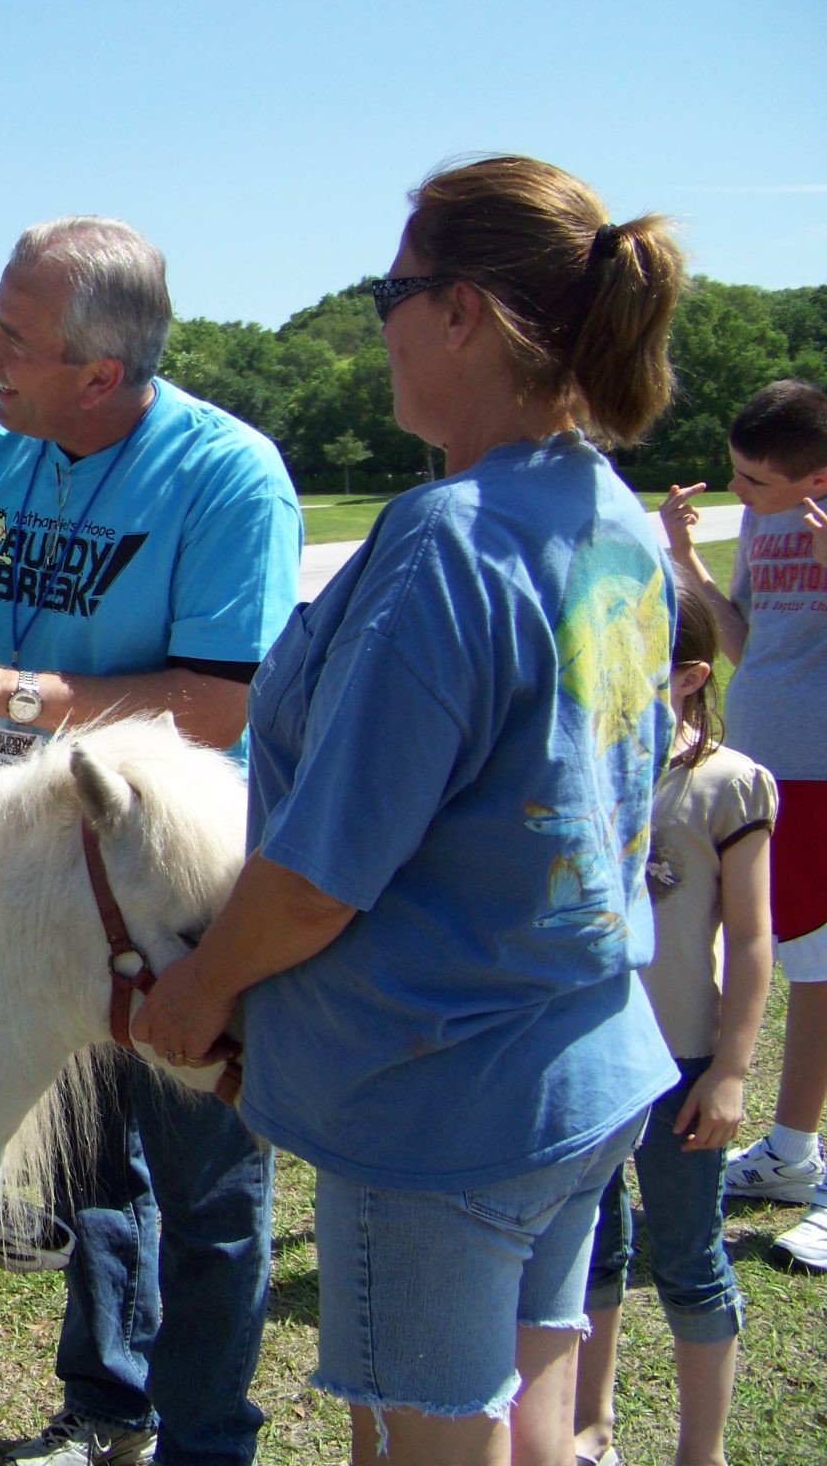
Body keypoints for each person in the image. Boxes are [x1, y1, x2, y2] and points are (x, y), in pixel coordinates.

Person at [135, 155, 686, 1466]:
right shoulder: (611, 517)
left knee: (417, 1447)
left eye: (392, 290)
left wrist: (202, 989)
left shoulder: (450, 539)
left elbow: (321, 874)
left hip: (438, 1101)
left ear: (460, 312)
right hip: (579, 1062)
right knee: (534, 1435)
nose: (379, 320)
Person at [0, 216, 302, 1466]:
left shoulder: (227, 475)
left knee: (207, 1180)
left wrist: (13, 691)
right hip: (33, 871)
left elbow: (217, 706)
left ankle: (205, 1442)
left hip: (174, 875)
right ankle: (106, 1404)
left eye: (12, 337)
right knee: (84, 1159)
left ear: (100, 374)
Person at [571, 587, 775, 1466]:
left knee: (690, 1258)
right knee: (591, 1251)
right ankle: (590, 1426)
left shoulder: (729, 785)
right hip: (589, 1055)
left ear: (691, 676)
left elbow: (754, 938)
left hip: (684, 1064)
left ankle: (703, 1450)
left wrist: (730, 1072)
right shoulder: (576, 764)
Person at [664, 378, 827, 1273]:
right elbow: (749, 646)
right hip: (772, 772)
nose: (738, 491)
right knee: (809, 964)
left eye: (755, 479)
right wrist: (686, 560)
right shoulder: (766, 524)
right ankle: (792, 1153)